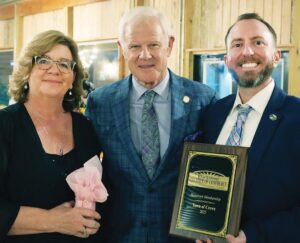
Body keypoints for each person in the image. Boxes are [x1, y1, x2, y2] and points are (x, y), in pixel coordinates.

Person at [85, 6, 217, 243]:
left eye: (154, 44)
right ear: (121, 48)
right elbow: (87, 168)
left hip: (182, 236)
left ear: (169, 44)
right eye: (134, 46)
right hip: (119, 234)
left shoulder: (203, 99)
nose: (144, 55)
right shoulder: (100, 102)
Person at [196, 13, 300, 243]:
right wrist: (198, 228)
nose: (247, 52)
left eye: (258, 42)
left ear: (276, 56)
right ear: (226, 59)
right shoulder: (212, 114)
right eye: (237, 44)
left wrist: (253, 236)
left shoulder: (297, 116)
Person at [0, 30, 102, 243]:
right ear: (27, 69)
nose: (55, 70)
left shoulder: (85, 128)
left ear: (73, 76)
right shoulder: (5, 125)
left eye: (64, 64)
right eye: (44, 61)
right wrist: (52, 220)